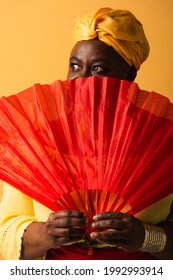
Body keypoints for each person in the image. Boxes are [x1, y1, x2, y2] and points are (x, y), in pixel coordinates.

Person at [0, 7, 173, 260]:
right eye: (74, 66)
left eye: (98, 70)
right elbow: (4, 233)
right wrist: (47, 234)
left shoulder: (162, 143)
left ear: (129, 76)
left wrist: (144, 236)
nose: (80, 81)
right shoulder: (37, 140)